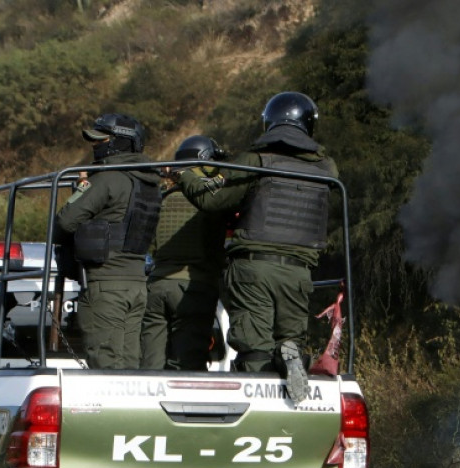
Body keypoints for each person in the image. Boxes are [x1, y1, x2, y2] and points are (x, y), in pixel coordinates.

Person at [174, 92, 338, 402]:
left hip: (254, 268)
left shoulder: (256, 161)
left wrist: (186, 174)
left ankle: (262, 397)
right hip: (299, 272)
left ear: (270, 123)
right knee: (289, 334)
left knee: (255, 345)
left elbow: (212, 198)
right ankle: (291, 353)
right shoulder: (327, 169)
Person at [54, 113, 162, 369]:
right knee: (129, 366)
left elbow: (62, 224)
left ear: (120, 143)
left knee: (106, 366)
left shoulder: (107, 178)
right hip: (136, 284)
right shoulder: (150, 182)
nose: (95, 145)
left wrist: (81, 189)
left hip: (107, 284)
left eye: (102, 139)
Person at [140, 135, 228, 370]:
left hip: (157, 287)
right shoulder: (213, 202)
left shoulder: (162, 198)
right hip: (193, 288)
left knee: (151, 369)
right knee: (188, 369)